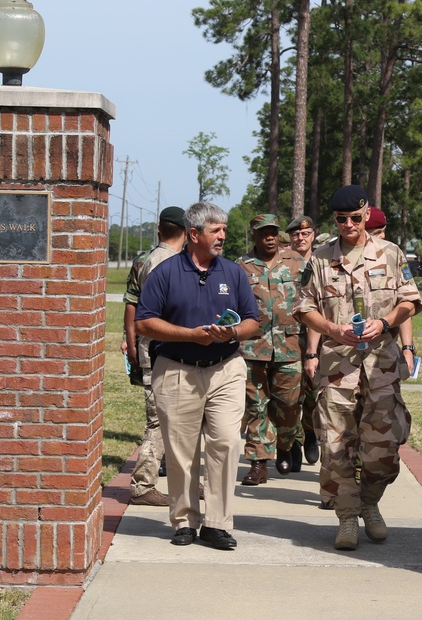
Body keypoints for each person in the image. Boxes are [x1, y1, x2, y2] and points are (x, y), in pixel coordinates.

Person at [295, 185, 422, 551]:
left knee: (383, 449)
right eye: (341, 219)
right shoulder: (319, 259)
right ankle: (348, 517)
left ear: (367, 214)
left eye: (354, 217)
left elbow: (409, 301)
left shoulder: (391, 253)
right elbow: (304, 309)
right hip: (337, 367)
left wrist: (384, 324)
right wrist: (331, 330)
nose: (348, 225)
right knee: (336, 447)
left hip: (382, 364)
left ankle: (370, 502)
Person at [135, 201, 260, 550]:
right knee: (181, 451)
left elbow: (252, 319)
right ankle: (185, 521)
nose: (223, 236)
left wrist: (232, 333)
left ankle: (217, 523)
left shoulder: (233, 273)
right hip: (176, 369)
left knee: (225, 442)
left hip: (225, 368)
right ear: (194, 234)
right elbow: (144, 322)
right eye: (215, 230)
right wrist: (191, 335)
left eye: (223, 229)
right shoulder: (166, 272)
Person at [123, 206, 188, 506]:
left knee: (168, 418)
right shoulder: (179, 264)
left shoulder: (145, 260)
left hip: (151, 347)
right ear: (187, 233)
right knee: (160, 421)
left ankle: (181, 483)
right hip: (169, 349)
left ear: (160, 230)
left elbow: (132, 306)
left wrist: (132, 342)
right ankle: (142, 484)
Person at [236, 214, 306, 485]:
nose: (269, 237)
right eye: (263, 232)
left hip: (290, 346)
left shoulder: (296, 264)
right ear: (254, 235)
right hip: (253, 348)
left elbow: (311, 301)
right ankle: (258, 463)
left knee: (289, 405)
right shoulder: (241, 267)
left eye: (273, 232)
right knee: (256, 406)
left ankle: (286, 445)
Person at [285, 215, 322, 467]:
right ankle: (294, 441)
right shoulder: (282, 264)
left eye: (305, 234)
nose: (301, 238)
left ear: (313, 236)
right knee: (290, 395)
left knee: (312, 393)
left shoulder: (324, 262)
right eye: (296, 234)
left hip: (318, 338)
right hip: (287, 338)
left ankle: (310, 432)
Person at [364, 206, 417, 373]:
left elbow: (404, 305)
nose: (383, 236)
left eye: (383, 231)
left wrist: (408, 348)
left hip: (383, 352)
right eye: (377, 232)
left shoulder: (392, 257)